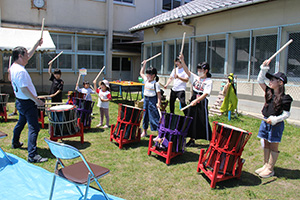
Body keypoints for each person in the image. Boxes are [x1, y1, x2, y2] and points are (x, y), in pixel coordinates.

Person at [10, 39, 48, 163]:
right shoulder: (20, 71)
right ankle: (32, 155)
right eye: (26, 55)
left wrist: (36, 45)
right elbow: (24, 89)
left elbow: (29, 54)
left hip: (20, 101)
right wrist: (36, 100)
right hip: (27, 102)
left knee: (21, 122)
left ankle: (15, 142)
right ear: (20, 56)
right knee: (34, 128)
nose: (28, 57)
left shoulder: (14, 67)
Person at [255, 59, 293, 178]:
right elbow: (260, 80)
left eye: (272, 80)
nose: (269, 82)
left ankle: (270, 169)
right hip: (265, 121)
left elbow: (286, 114)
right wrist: (264, 68)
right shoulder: (269, 92)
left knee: (273, 145)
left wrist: (275, 119)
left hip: (275, 124)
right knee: (265, 143)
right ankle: (266, 165)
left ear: (280, 83)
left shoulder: (286, 98)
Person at [179, 54, 212, 147]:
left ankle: (211, 140)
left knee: (203, 120)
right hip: (194, 98)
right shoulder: (195, 78)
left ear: (206, 71)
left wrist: (197, 100)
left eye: (201, 70)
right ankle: (192, 139)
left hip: (201, 101)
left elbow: (205, 93)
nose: (199, 72)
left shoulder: (209, 81)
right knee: (190, 119)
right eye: (198, 70)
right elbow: (187, 71)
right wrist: (182, 61)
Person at [140, 60, 161, 137]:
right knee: (145, 115)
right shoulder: (146, 80)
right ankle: (144, 131)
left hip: (153, 100)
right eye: (147, 74)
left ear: (154, 75)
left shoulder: (156, 84)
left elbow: (159, 95)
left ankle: (159, 133)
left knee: (154, 116)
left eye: (150, 74)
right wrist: (144, 64)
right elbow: (141, 73)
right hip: (146, 99)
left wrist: (158, 103)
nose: (148, 76)